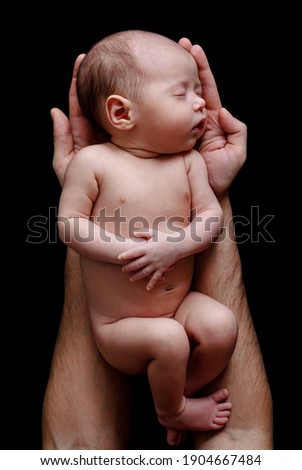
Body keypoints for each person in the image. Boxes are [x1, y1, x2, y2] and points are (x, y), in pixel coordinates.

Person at [42, 35, 273, 450]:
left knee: (222, 326)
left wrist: (175, 246)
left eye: (198, 93)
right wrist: (126, 252)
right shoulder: (94, 162)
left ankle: (174, 390)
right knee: (168, 340)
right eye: (181, 93)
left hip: (179, 306)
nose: (201, 103)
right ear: (120, 112)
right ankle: (172, 410)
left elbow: (209, 220)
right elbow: (70, 225)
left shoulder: (189, 163)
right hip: (120, 327)